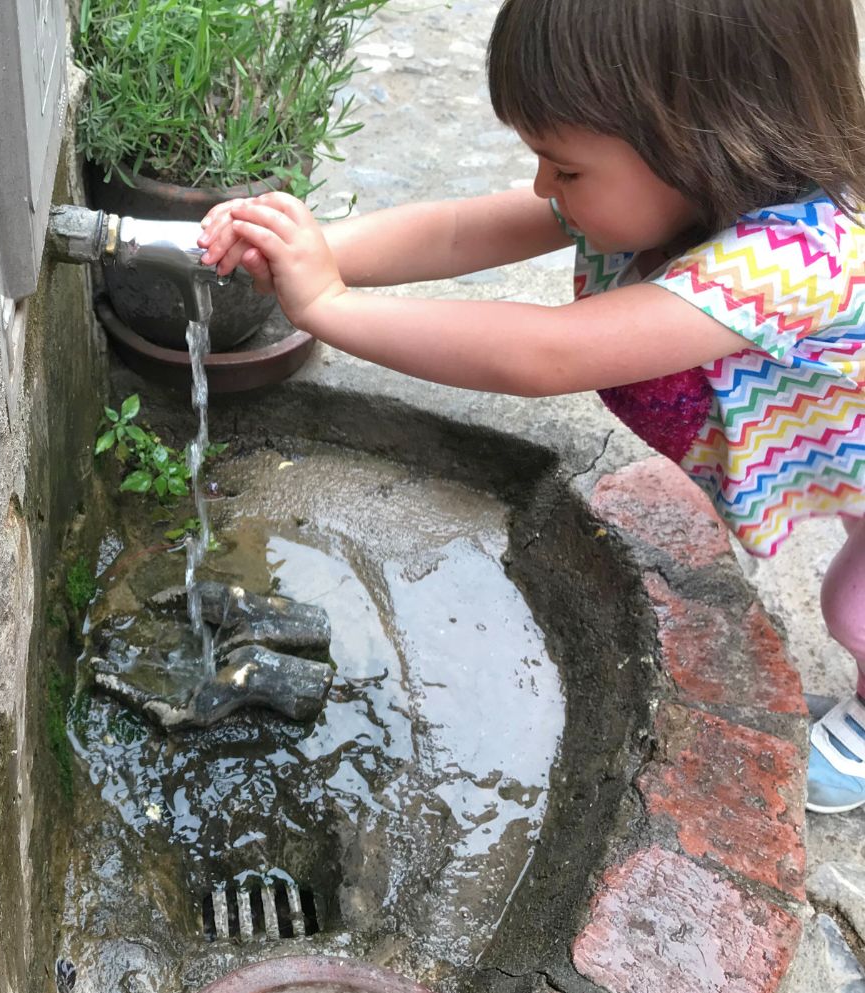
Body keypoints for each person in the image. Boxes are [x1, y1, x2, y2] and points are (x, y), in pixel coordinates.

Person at [197, 0, 865, 813]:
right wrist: (310, 252)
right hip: (837, 442)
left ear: (705, 142)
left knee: (855, 606)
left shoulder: (798, 261)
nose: (545, 186)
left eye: (566, 170)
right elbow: (456, 232)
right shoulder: (676, 185)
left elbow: (547, 353)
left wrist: (330, 308)